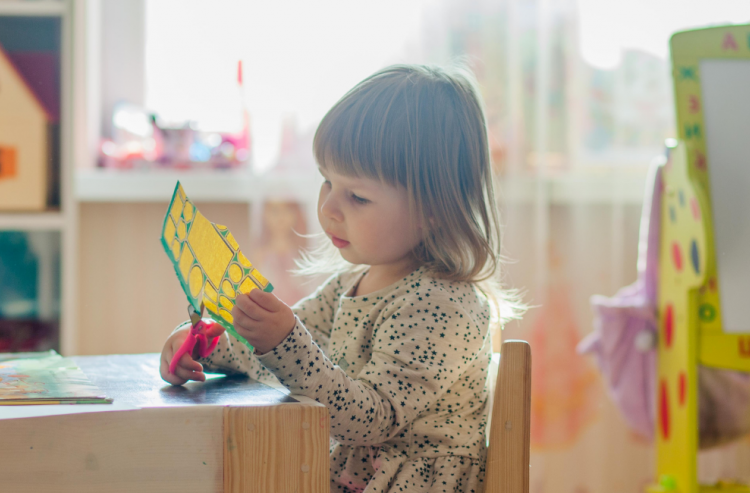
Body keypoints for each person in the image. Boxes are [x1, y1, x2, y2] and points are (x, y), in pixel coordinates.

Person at [160, 64, 522, 493]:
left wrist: (282, 340)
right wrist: (208, 344)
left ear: (434, 209)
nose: (329, 207)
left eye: (357, 196)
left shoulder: (445, 306)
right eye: (326, 182)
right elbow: (281, 359)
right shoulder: (351, 284)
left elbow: (370, 419)